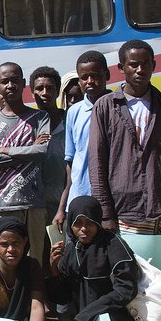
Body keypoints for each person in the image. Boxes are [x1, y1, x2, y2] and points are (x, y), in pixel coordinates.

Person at [89, 39, 161, 321]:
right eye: (133, 64)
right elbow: (97, 165)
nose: (140, 69)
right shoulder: (106, 106)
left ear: (154, 65)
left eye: (146, 63)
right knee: (127, 292)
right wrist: (107, 215)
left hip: (160, 216)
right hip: (124, 217)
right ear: (121, 69)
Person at [48, 196, 148, 321]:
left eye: (90, 223)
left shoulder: (113, 245)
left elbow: (125, 289)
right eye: (78, 224)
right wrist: (53, 268)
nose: (84, 229)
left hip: (115, 320)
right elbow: (62, 297)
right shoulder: (71, 250)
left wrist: (92, 312)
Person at [0, 62, 51, 264]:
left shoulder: (40, 117)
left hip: (34, 202)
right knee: (6, 263)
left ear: (23, 84)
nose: (10, 85)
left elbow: (42, 151)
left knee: (35, 260)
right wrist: (29, 150)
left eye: (14, 80)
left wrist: (6, 150)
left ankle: (35, 296)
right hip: (2, 204)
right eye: (5, 81)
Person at [54, 51, 111, 232]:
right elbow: (71, 162)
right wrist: (62, 206)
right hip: (79, 197)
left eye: (95, 76)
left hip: (111, 200)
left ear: (107, 75)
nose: (90, 81)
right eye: (84, 77)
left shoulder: (118, 106)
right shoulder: (74, 112)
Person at [30, 66, 67, 227]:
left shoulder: (69, 120)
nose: (45, 93)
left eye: (50, 88)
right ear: (32, 92)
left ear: (58, 91)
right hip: (35, 205)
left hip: (65, 204)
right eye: (39, 88)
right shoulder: (27, 125)